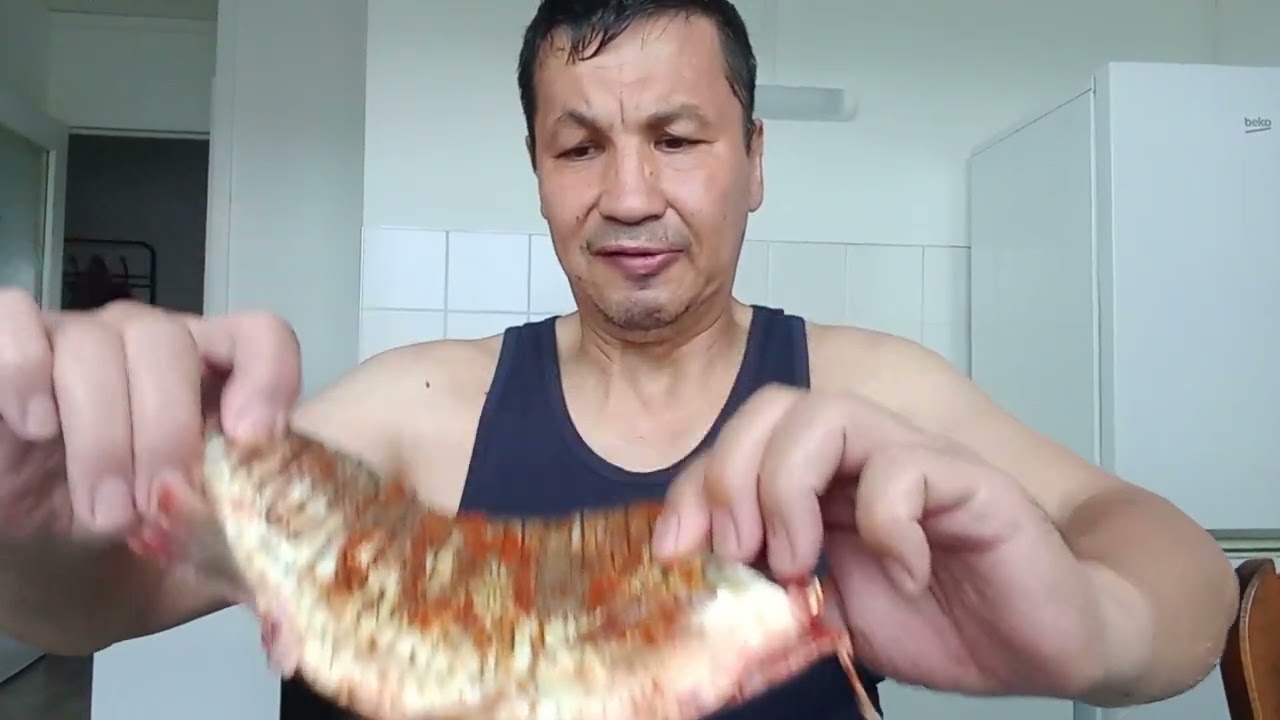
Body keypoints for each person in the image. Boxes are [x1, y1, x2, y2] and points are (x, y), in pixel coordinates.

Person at [0, 0, 1239, 718]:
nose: (630, 195)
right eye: (580, 145)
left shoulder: (869, 396)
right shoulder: (409, 414)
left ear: (754, 159)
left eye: (677, 138)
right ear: (537, 169)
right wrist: (34, 511)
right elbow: (91, 602)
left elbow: (1183, 576)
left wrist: (1097, 623)